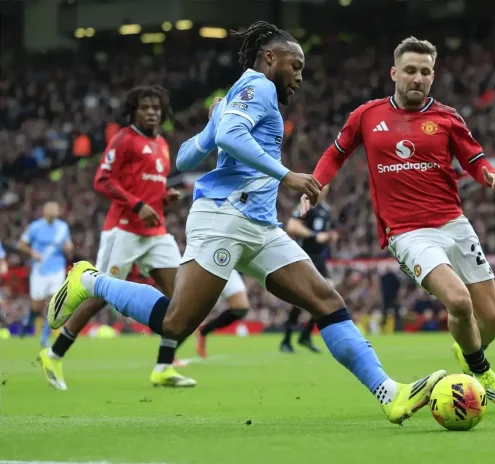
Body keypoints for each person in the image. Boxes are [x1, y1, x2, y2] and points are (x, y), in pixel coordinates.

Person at [48, 21, 446, 425]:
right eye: (296, 65)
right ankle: (90, 281)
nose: (300, 76)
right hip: (224, 217)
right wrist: (284, 174)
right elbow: (230, 139)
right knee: (176, 322)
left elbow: (184, 158)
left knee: (326, 301)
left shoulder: (245, 92)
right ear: (270, 58)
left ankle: (388, 393)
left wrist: (213, 128)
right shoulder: (259, 86)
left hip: (259, 224)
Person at [302, 37, 495, 405]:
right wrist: (314, 185)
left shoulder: (447, 118)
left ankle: (466, 349)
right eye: (410, 70)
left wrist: (491, 176)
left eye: (425, 72)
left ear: (433, 76)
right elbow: (335, 154)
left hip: (454, 223)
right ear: (394, 73)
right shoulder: (367, 116)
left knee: (493, 317)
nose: (418, 78)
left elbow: (474, 160)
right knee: (458, 301)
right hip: (407, 232)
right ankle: (480, 370)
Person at [38, 86, 195, 391]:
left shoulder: (162, 144)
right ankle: (53, 354)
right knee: (98, 296)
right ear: (133, 112)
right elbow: (102, 180)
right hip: (123, 229)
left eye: (156, 108)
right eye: (144, 107)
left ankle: (163, 367)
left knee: (182, 297)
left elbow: (147, 188)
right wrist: (137, 205)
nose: (151, 112)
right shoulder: (124, 139)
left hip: (156, 232)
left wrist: (164, 197)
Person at [280, 185, 338, 353]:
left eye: (326, 185)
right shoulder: (305, 205)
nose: (324, 189)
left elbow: (327, 231)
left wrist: (331, 236)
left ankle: (305, 334)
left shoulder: (326, 209)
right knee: (301, 299)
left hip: (319, 259)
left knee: (328, 293)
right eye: (321, 185)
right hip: (303, 256)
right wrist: (313, 235)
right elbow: (292, 226)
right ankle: (287, 339)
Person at [17, 202, 73, 347]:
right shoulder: (35, 227)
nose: (53, 214)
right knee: (37, 306)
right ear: (44, 212)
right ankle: (28, 322)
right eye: (50, 212)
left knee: (54, 303)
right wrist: (32, 252)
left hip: (57, 270)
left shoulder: (62, 227)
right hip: (39, 270)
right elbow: (21, 244)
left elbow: (68, 247)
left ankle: (44, 337)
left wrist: (68, 248)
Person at [195, 270, 249, 358]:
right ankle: (171, 352)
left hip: (229, 269)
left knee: (240, 308)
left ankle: (203, 331)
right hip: (209, 267)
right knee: (191, 312)